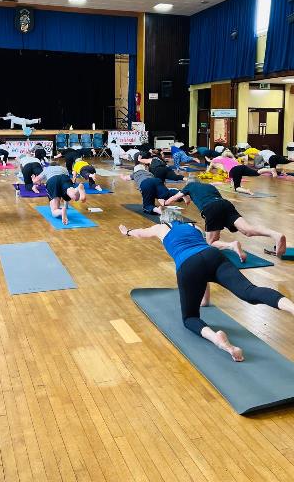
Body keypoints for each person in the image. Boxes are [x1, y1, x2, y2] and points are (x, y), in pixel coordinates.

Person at [118, 219, 294, 361]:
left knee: (190, 318)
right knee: (249, 291)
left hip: (188, 265)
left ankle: (218, 340)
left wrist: (127, 232)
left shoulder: (161, 228)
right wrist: (205, 300)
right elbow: (203, 261)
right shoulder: (194, 227)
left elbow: (141, 233)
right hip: (213, 256)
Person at [160, 180, 286, 259]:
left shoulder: (190, 186)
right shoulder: (209, 186)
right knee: (248, 230)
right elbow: (190, 199)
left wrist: (165, 203)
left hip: (210, 208)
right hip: (225, 204)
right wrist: (188, 198)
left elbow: (175, 198)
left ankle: (232, 245)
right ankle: (275, 234)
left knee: (211, 242)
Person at [206, 151, 270, 195]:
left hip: (235, 170)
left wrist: (208, 160)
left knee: (237, 188)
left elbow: (213, 160)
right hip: (242, 167)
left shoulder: (222, 159)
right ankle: (269, 170)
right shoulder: (234, 160)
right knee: (257, 173)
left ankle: (247, 191)